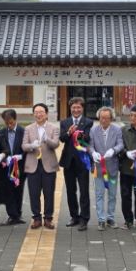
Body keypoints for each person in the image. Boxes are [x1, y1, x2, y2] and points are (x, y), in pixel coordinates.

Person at [22, 103, 60, 229]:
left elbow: (56, 144)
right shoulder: (28, 128)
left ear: (46, 114)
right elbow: (24, 146)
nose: (39, 114)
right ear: (33, 114)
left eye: (41, 112)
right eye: (36, 112)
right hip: (33, 165)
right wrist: (31, 146)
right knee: (34, 193)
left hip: (48, 165)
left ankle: (48, 218)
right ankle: (36, 218)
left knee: (49, 193)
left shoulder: (53, 128)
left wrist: (46, 139)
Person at [59, 97, 93, 230]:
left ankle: (84, 218)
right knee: (70, 190)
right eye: (74, 107)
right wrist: (69, 132)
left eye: (78, 107)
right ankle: (74, 216)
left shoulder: (88, 122)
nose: (76, 110)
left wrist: (78, 134)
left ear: (82, 108)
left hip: (82, 161)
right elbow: (62, 139)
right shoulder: (65, 122)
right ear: (70, 108)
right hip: (69, 161)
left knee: (84, 191)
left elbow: (88, 138)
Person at [88, 107, 124, 231]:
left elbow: (120, 144)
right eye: (102, 118)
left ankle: (110, 217)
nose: (104, 120)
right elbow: (90, 146)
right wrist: (93, 153)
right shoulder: (93, 130)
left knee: (112, 195)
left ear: (111, 119)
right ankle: (101, 219)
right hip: (98, 168)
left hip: (112, 167)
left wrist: (113, 150)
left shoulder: (117, 130)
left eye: (107, 118)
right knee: (99, 194)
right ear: (99, 118)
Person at [0, 109, 27, 225]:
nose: (9, 125)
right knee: (8, 190)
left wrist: (21, 156)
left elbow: (27, 148)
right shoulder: (1, 132)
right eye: (7, 123)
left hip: (20, 166)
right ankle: (12, 215)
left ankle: (18, 214)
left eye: (11, 122)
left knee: (18, 190)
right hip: (6, 166)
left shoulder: (23, 131)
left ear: (15, 119)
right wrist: (4, 157)